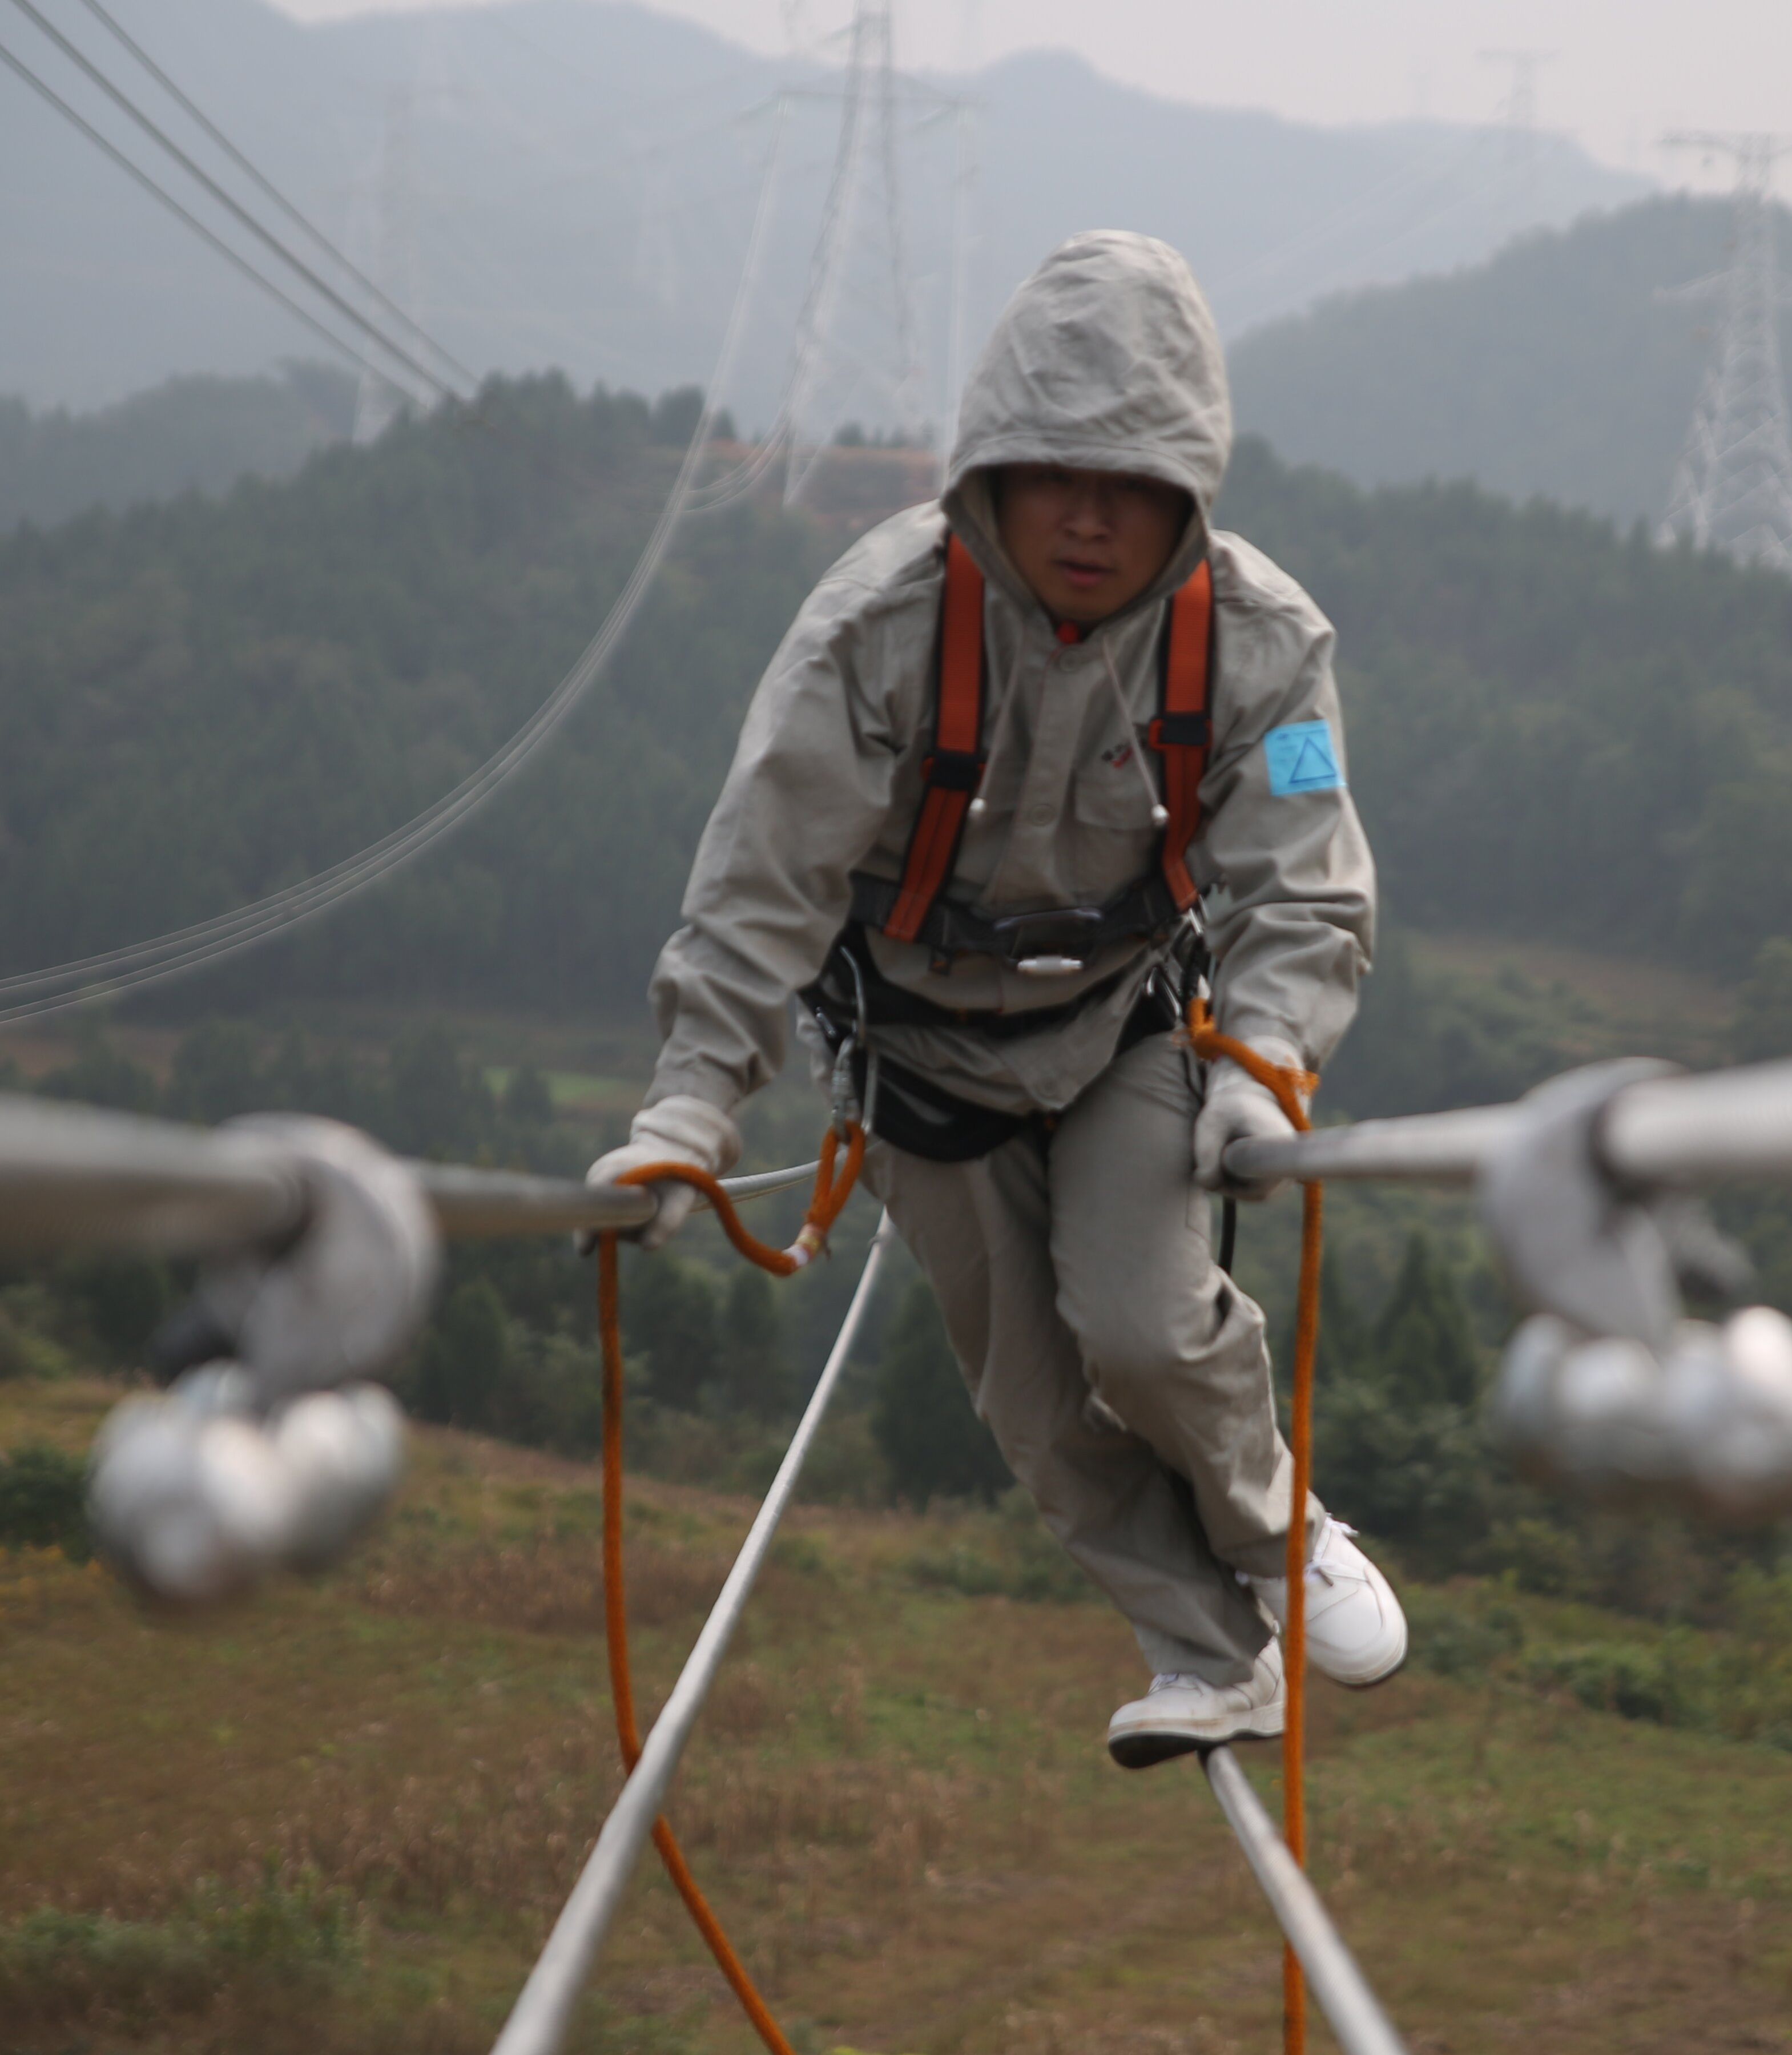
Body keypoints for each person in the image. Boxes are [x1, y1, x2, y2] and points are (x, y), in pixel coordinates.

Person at [593, 230, 1403, 1767]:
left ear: (1189, 492)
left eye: (1134, 484)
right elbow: (764, 874)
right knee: (1036, 1404)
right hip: (916, 1055)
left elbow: (1306, 877)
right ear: (991, 476)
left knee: (1147, 1328)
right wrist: (692, 1107)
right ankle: (1208, 1654)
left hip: (1126, 1031)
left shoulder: (1261, 645)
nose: (1091, 519)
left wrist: (1268, 1061)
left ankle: (1279, 1530)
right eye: (1055, 476)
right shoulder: (875, 631)